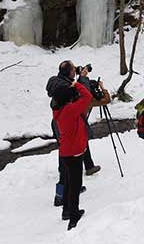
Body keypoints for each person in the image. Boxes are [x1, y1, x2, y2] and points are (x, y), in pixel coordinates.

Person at [46, 61, 101, 208]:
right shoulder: (65, 87)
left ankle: (72, 188)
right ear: (69, 73)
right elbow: (84, 95)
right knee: (67, 162)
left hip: (63, 122)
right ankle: (60, 196)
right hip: (68, 122)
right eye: (73, 69)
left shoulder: (57, 81)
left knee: (69, 155)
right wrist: (82, 79)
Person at [52, 80, 92, 230]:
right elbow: (87, 97)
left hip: (66, 152)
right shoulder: (70, 110)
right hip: (74, 152)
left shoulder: (58, 110)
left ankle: (67, 211)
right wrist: (77, 84)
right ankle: (73, 217)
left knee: (69, 181)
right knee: (75, 185)